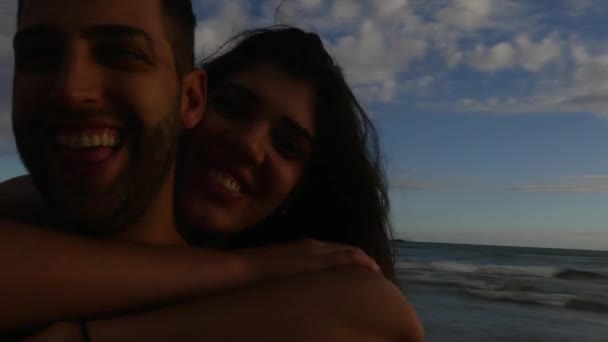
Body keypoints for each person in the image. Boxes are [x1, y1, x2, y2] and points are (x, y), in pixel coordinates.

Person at [1, 0, 423, 340]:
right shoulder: (34, 215)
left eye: (287, 146)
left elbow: (379, 313)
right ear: (195, 103)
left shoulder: (309, 300)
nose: (72, 90)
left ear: (188, 98)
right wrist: (250, 268)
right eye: (233, 107)